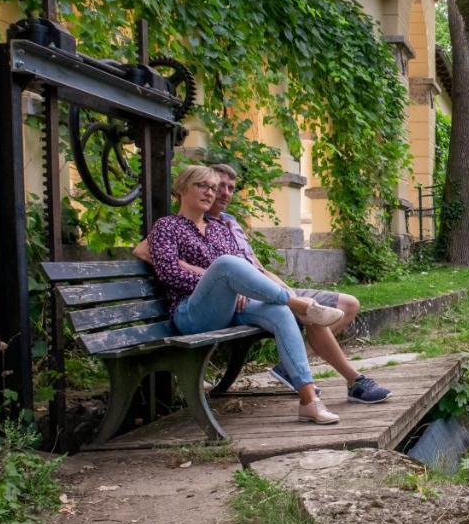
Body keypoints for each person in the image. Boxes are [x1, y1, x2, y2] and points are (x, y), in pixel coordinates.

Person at [137, 163, 391, 404]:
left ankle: (310, 396)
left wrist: (267, 285)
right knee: (298, 308)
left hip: (254, 289)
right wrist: (220, 282)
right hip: (203, 304)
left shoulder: (224, 225)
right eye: (209, 186)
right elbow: (154, 258)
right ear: (182, 188)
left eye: (220, 188)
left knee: (297, 307)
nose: (216, 193)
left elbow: (251, 266)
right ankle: (347, 374)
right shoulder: (169, 226)